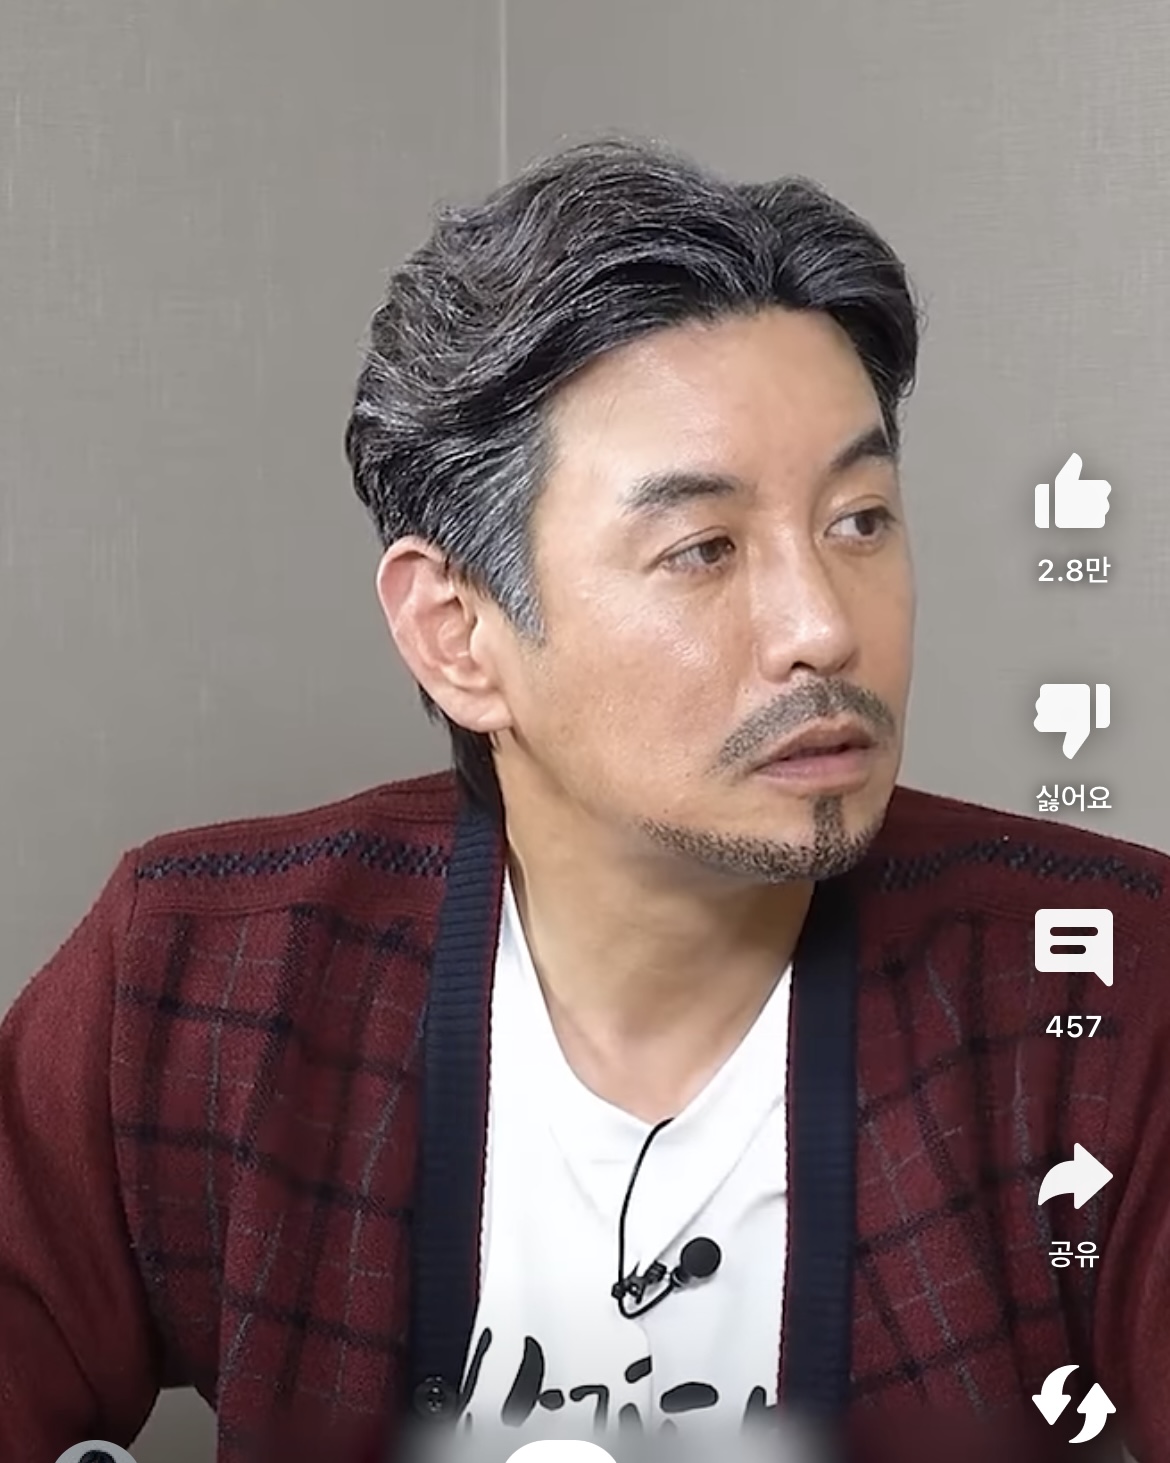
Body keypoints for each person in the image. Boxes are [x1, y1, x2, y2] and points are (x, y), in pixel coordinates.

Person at [0, 137, 1166, 1463]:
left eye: (858, 521)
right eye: (702, 549)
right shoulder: (202, 974)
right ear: (457, 635)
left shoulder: (1101, 980)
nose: (823, 628)